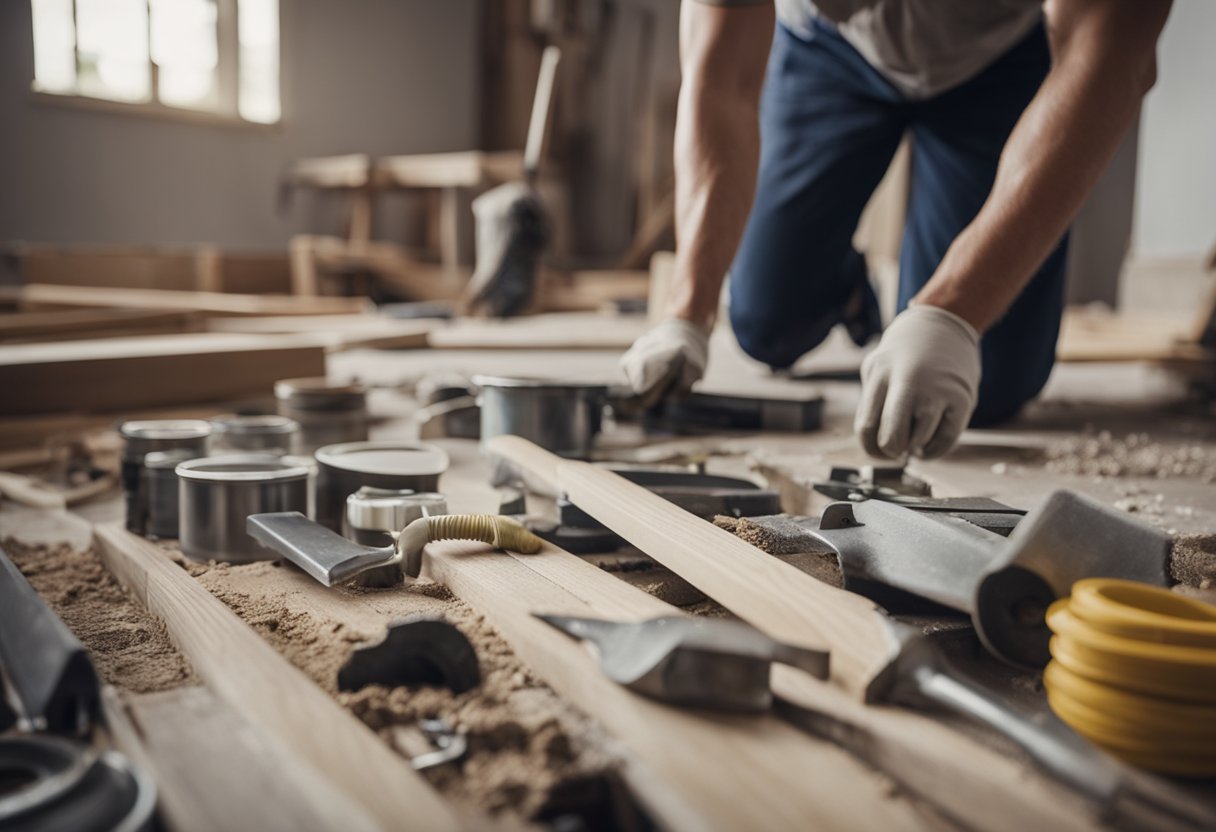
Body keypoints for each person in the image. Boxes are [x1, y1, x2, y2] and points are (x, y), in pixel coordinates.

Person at [620, 0, 1171, 459]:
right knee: (765, 325)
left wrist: (952, 312)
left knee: (986, 385)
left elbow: (1109, 61)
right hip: (827, 51)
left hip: (1000, 56)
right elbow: (721, 87)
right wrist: (686, 313)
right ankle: (852, 294)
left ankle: (929, 302)